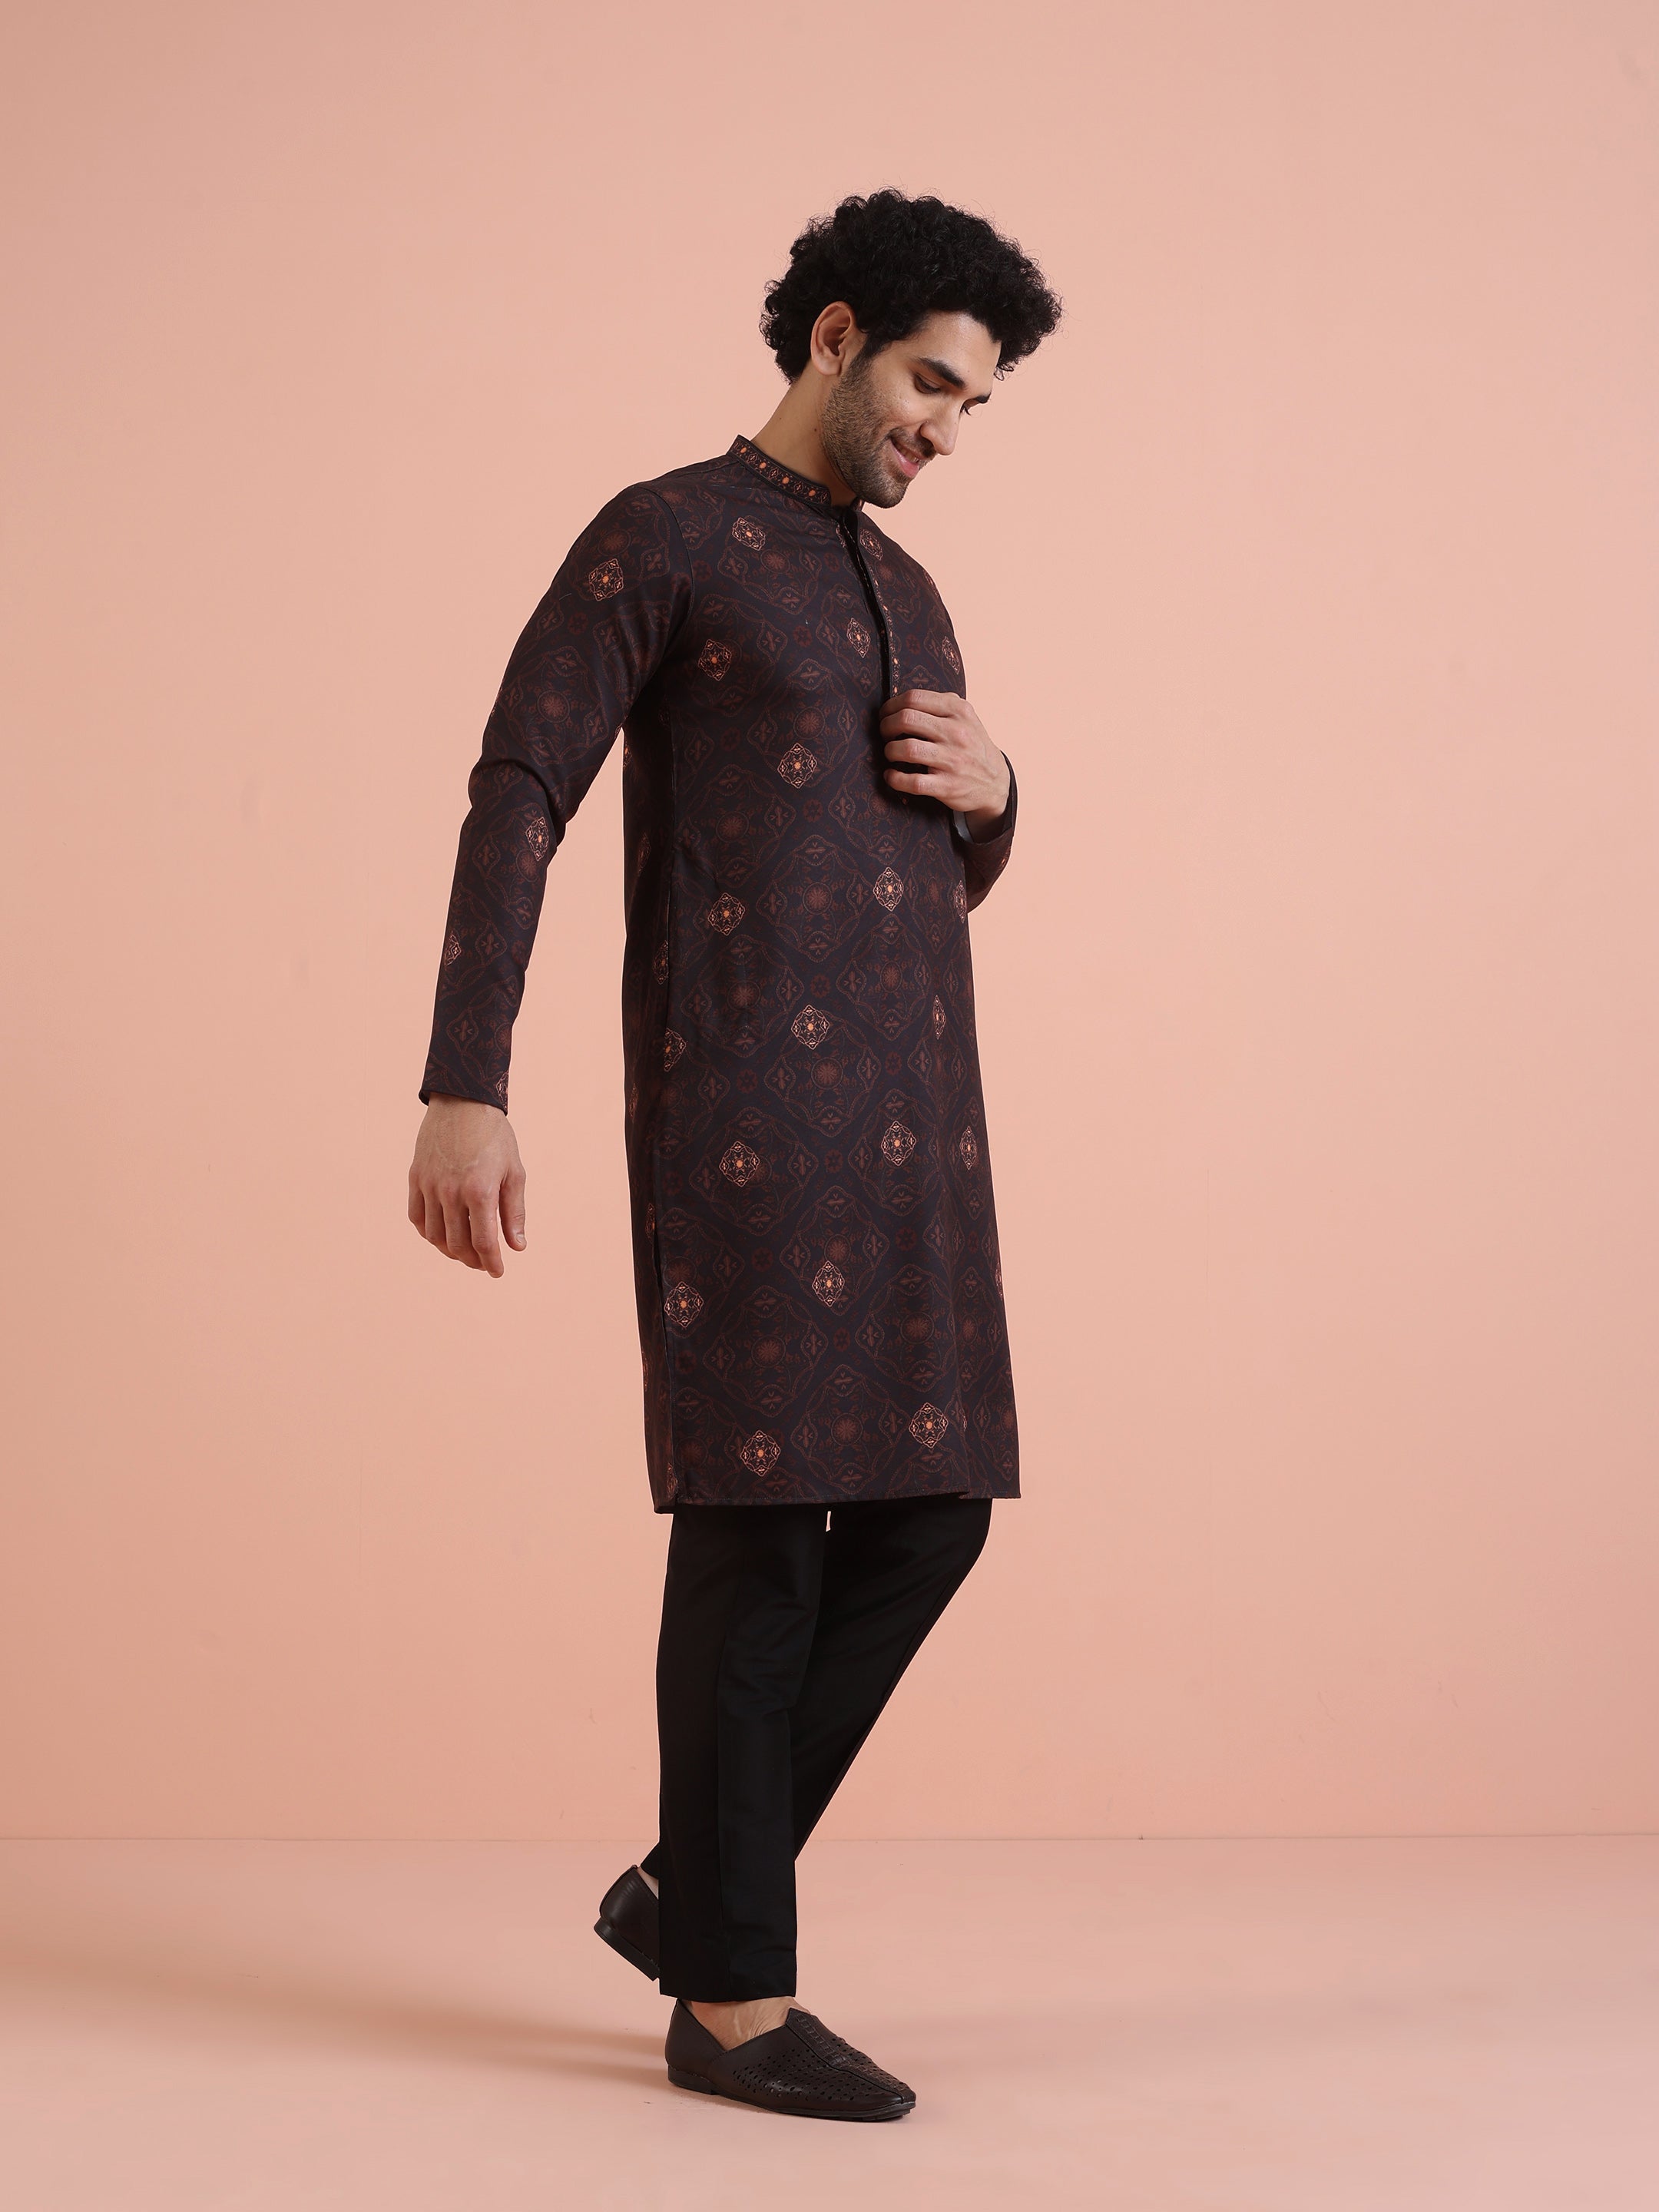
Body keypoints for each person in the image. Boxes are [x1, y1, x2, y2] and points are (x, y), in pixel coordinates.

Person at [407, 189, 1060, 2121]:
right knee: (761, 1543)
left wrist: (1001, 799)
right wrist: (464, 1078)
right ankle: (734, 2003)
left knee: (936, 1514)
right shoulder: (666, 535)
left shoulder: (912, 591)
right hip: (746, 1123)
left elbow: (924, 866)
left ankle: (692, 1890)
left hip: (923, 1132)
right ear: (836, 335)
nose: (948, 429)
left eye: (976, 405)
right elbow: (520, 784)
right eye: (932, 383)